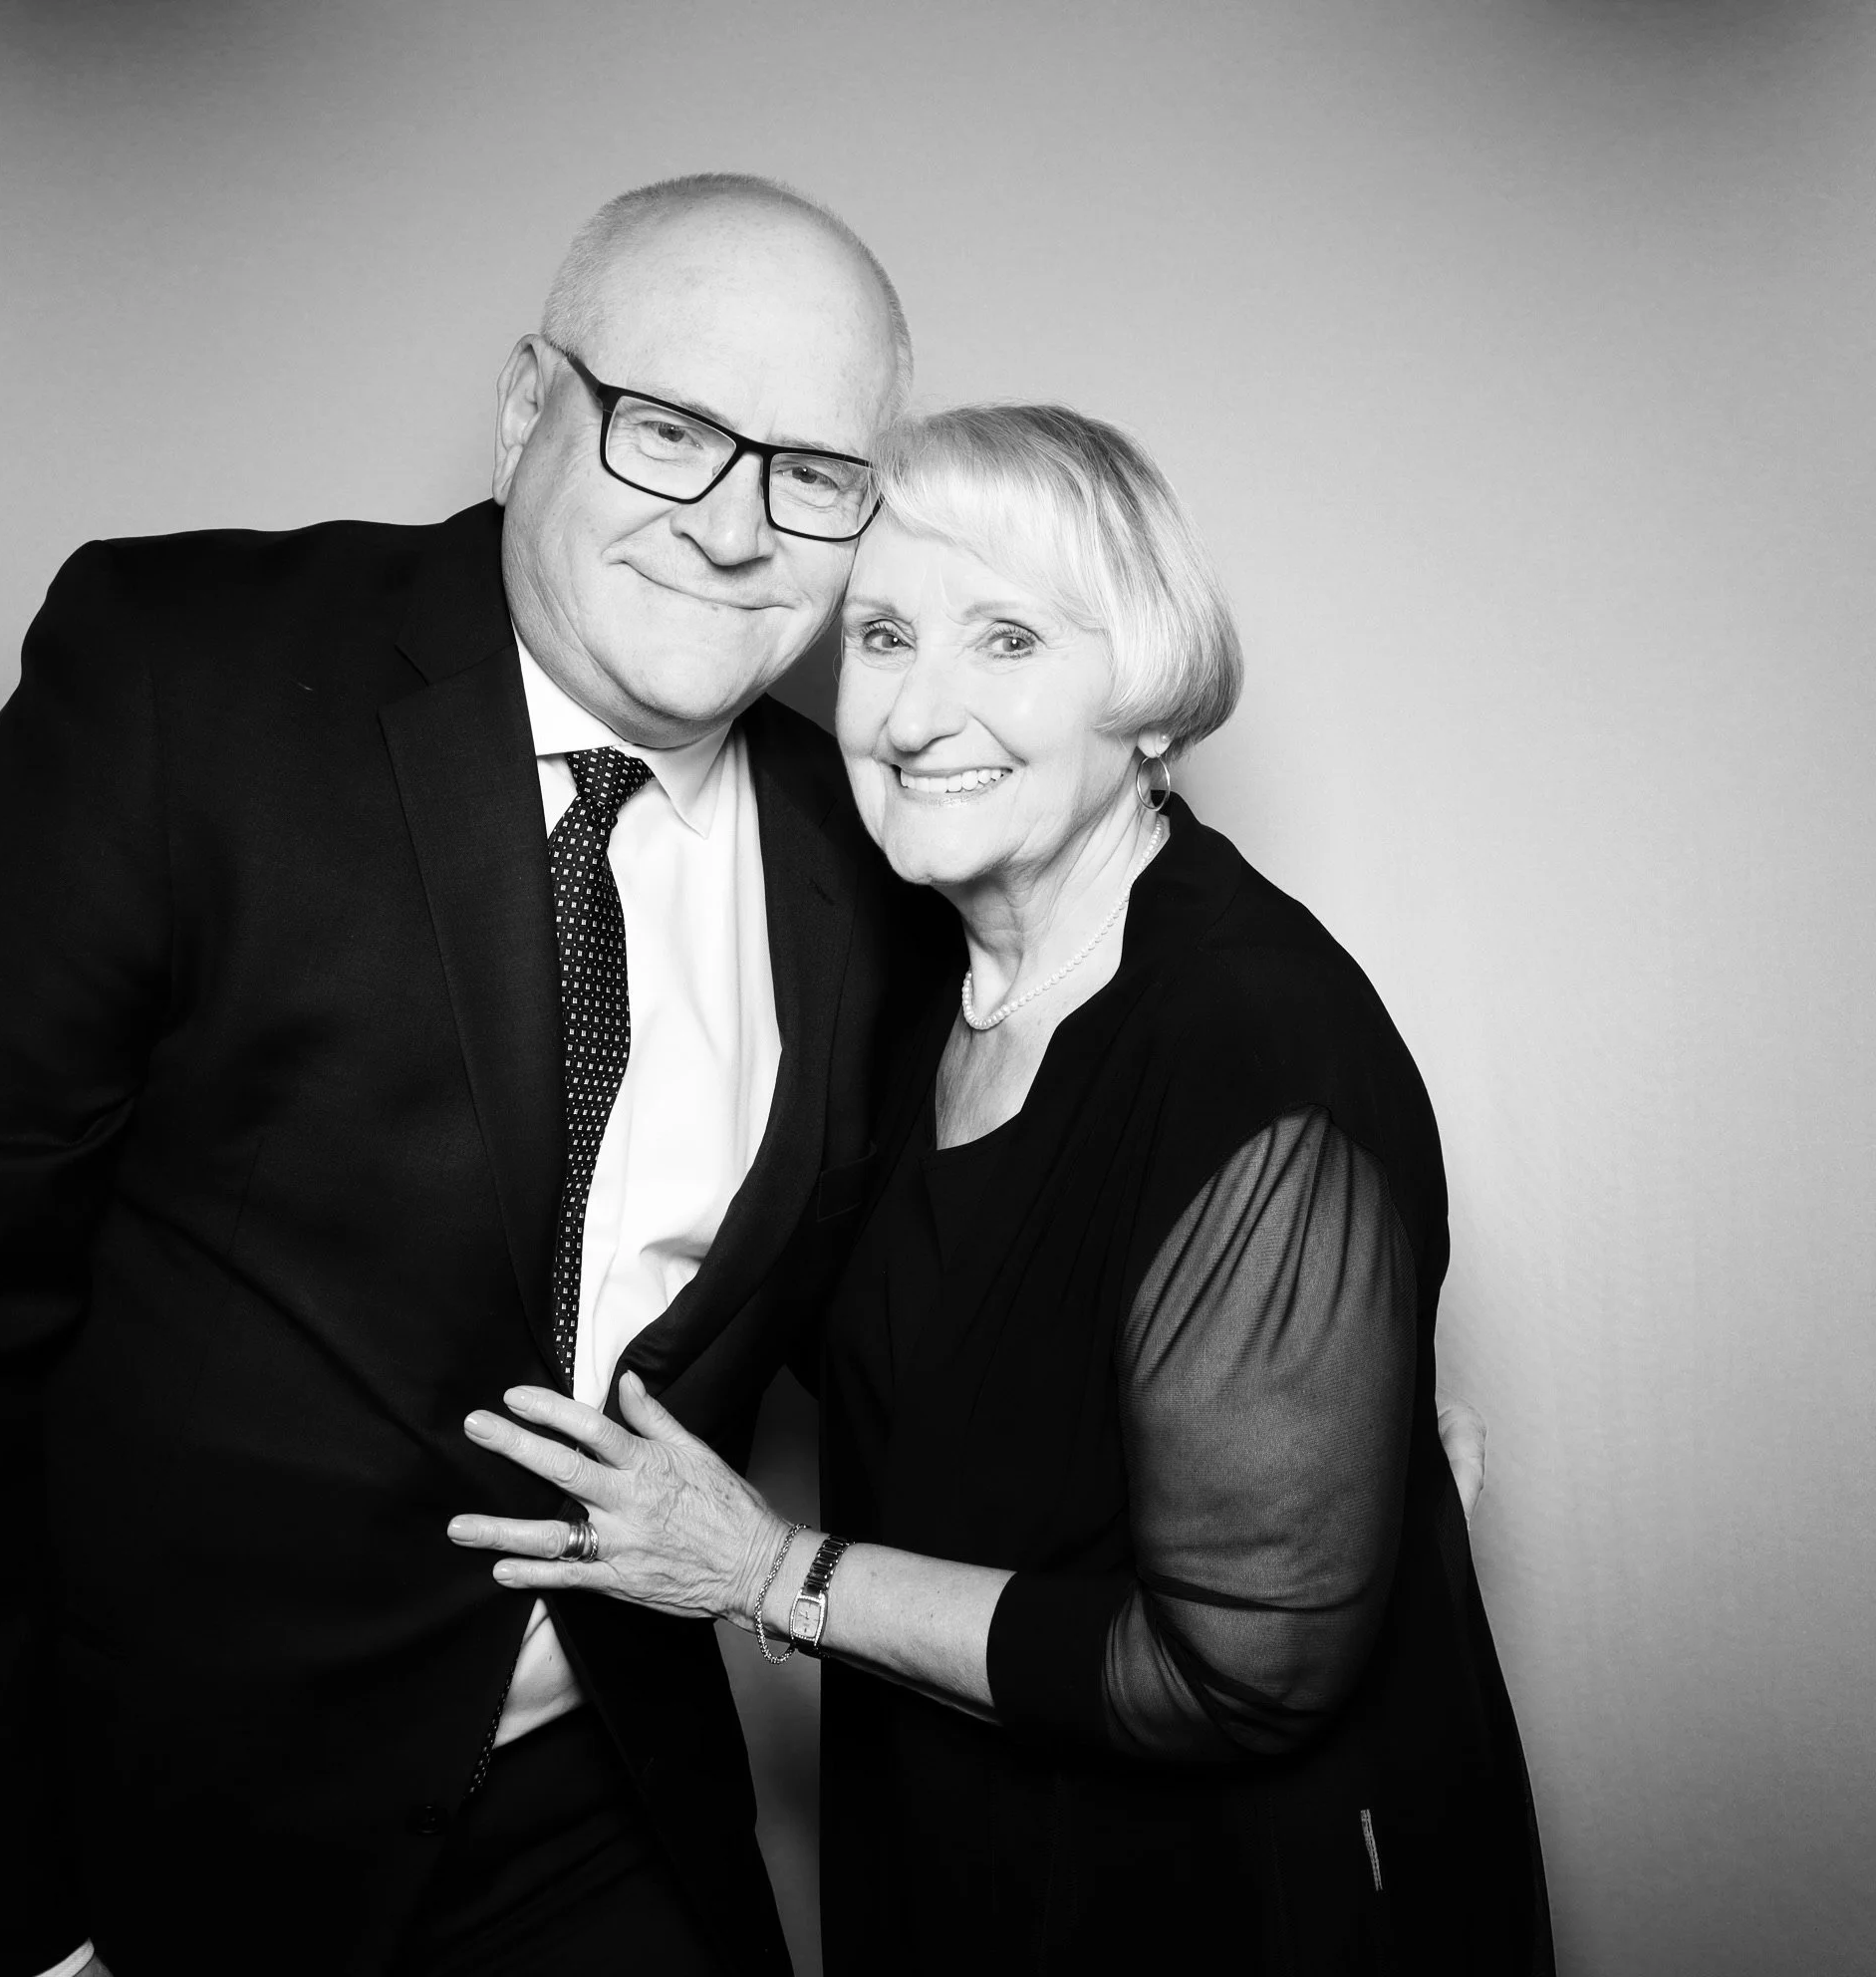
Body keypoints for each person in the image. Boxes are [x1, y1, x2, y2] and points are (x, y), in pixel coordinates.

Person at [0, 173, 938, 1977]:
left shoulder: (872, 854)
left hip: (601, 1814)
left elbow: (931, 1308)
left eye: (812, 472)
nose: (733, 526)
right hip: (158, 1837)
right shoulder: (184, 673)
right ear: (531, 404)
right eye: (670, 429)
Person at [449, 404, 1554, 1972]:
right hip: (960, 1836)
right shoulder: (908, 993)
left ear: (1149, 701)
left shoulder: (1257, 1041)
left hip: (1220, 1903)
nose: (917, 713)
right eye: (884, 636)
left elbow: (1239, 1670)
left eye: (1010, 638)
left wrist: (765, 1571)